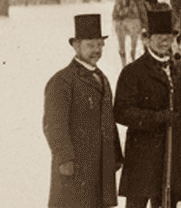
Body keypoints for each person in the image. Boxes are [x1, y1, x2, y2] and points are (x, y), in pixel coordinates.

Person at [44, 13, 123, 208]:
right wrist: (65, 159)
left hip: (101, 164)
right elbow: (54, 125)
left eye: (99, 45)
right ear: (76, 46)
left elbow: (108, 120)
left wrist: (115, 154)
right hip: (76, 166)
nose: (96, 50)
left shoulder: (101, 78)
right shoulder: (63, 81)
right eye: (90, 45)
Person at [115, 9, 181, 208]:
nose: (165, 42)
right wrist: (157, 118)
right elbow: (121, 112)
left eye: (169, 38)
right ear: (147, 39)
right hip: (142, 157)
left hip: (170, 156)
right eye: (159, 38)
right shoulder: (133, 71)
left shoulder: (177, 71)